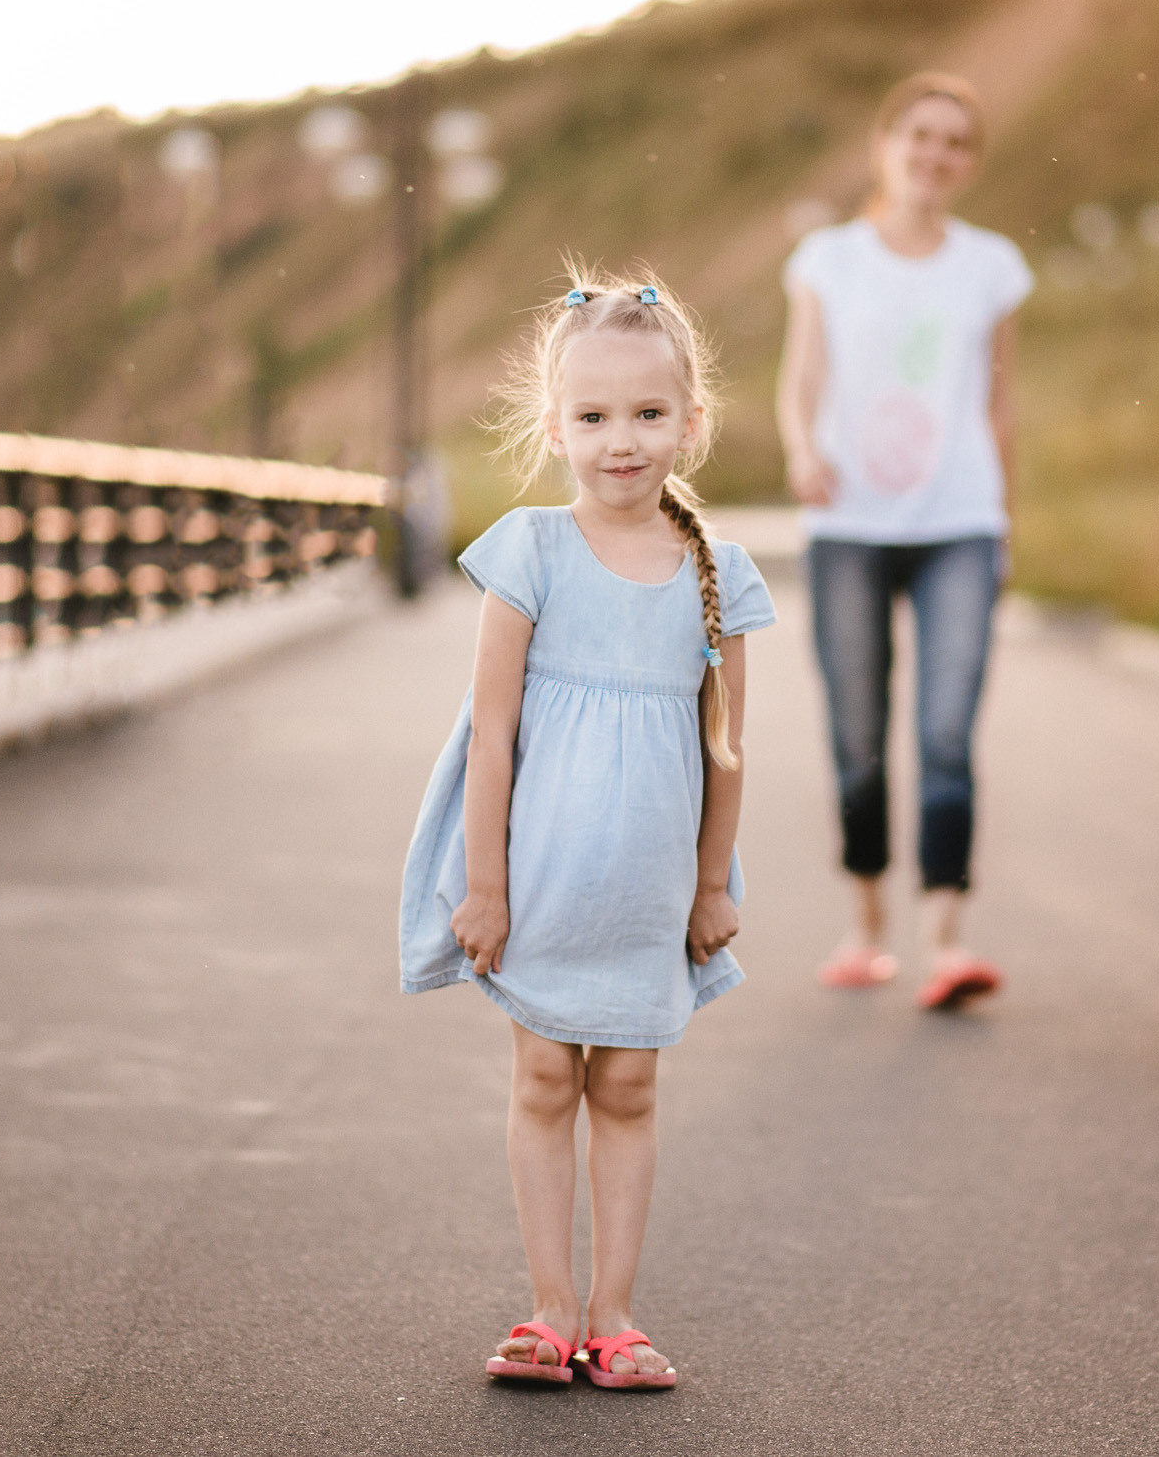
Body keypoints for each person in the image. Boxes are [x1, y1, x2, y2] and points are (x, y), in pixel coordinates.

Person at [398, 271, 775, 1390]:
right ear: (556, 425)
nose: (623, 441)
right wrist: (485, 885)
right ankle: (551, 1306)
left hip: (649, 894)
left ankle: (616, 1312)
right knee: (545, 1082)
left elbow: (725, 752)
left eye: (650, 415)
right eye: (595, 416)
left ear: (690, 425)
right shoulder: (530, 554)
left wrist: (713, 887)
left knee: (629, 1089)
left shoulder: (720, 578)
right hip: (542, 882)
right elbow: (492, 737)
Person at [774, 71, 1030, 1010]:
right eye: (921, 135)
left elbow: (1000, 400)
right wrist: (803, 449)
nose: (937, 155)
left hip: (961, 519)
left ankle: (946, 940)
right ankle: (866, 925)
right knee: (859, 734)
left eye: (957, 142)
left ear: (970, 164)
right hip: (848, 522)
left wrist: (1007, 518)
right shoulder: (829, 260)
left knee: (948, 732)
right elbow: (802, 375)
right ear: (886, 145)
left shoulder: (990, 265)